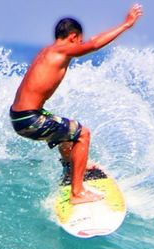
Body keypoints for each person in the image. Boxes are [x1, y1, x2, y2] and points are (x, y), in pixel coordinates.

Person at [9, 4, 143, 204]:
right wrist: (126, 25)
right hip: (30, 119)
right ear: (72, 37)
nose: (80, 44)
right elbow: (95, 43)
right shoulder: (63, 49)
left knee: (67, 132)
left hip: (21, 116)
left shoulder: (48, 50)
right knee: (83, 134)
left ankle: (70, 170)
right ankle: (77, 193)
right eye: (79, 40)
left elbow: (92, 41)